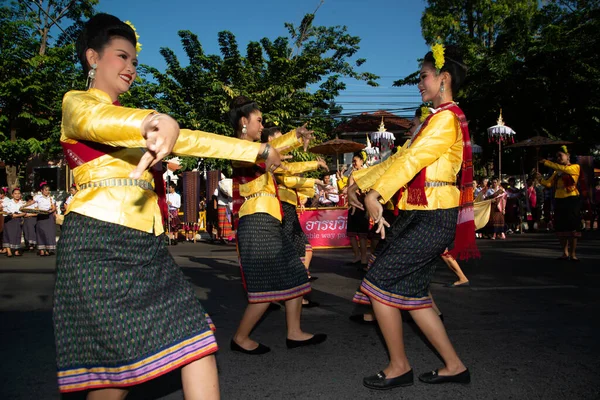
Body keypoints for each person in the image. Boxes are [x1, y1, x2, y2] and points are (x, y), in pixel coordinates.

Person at [53, 13, 285, 398]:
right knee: (116, 378)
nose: (130, 68)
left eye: (134, 61)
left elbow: (192, 139)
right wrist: (155, 120)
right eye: (121, 57)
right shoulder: (78, 104)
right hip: (98, 242)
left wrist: (258, 149)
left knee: (195, 344)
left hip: (146, 245)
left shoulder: (133, 121)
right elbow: (97, 119)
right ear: (93, 58)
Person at [347, 44, 475, 390]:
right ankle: (454, 365)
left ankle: (399, 365)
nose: (419, 83)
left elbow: (413, 160)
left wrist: (377, 193)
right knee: (414, 295)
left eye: (423, 76)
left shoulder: (446, 118)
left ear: (443, 79)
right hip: (421, 214)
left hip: (433, 215)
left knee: (378, 284)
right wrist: (359, 182)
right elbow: (398, 159)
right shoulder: (435, 119)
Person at [228, 96, 326, 355]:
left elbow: (285, 167)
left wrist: (296, 138)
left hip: (270, 220)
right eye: (258, 121)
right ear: (243, 122)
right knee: (265, 287)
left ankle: (294, 332)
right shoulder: (238, 148)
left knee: (296, 274)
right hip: (256, 220)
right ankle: (240, 337)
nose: (262, 126)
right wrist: (292, 136)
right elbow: (263, 150)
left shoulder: (258, 152)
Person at [538, 146, 581, 261]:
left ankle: (573, 254)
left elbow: (562, 169)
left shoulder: (575, 167)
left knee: (572, 228)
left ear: (568, 156)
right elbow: (548, 184)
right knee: (561, 227)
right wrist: (540, 179)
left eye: (560, 155)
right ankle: (564, 253)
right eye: (557, 156)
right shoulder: (557, 172)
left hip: (571, 199)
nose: (558, 158)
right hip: (559, 199)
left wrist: (546, 162)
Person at [346, 153, 370, 267]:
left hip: (363, 206)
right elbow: (349, 189)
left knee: (362, 235)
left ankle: (364, 258)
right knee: (351, 234)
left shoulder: (368, 172)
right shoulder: (352, 174)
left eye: (355, 161)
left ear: (361, 161)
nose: (354, 163)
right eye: (353, 161)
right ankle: (357, 256)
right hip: (352, 207)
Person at [33, 183, 57, 256]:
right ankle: (41, 249)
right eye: (45, 190)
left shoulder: (51, 198)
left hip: (49, 217)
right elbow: (35, 207)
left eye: (48, 190)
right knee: (41, 232)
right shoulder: (38, 198)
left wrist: (50, 211)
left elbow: (54, 208)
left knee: (49, 233)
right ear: (42, 191)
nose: (47, 192)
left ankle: (48, 249)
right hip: (41, 216)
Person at [2, 188, 26, 257]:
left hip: (18, 220)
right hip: (9, 220)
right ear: (12, 195)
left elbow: (24, 213)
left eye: (18, 193)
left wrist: (17, 215)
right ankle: (9, 251)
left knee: (17, 235)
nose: (17, 195)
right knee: (8, 235)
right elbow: (2, 208)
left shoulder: (22, 203)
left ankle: (16, 250)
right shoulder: (8, 202)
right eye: (15, 194)